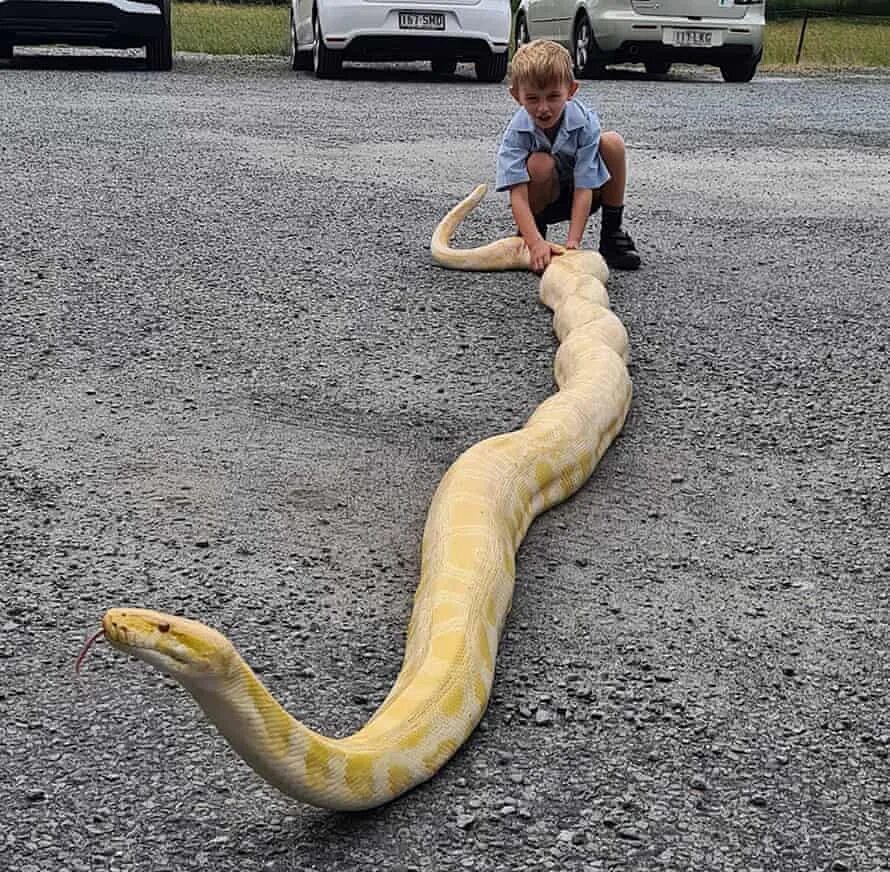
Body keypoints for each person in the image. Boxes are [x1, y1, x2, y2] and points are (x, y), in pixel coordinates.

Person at [495, 39, 641, 274]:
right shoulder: (516, 133)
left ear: (571, 91)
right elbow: (518, 197)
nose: (543, 108)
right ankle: (533, 233)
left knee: (612, 142)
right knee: (539, 163)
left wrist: (573, 245)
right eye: (532, 98)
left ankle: (611, 234)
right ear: (516, 96)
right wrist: (534, 242)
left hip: (586, 194)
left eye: (553, 97)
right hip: (544, 199)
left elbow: (585, 187)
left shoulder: (585, 122)